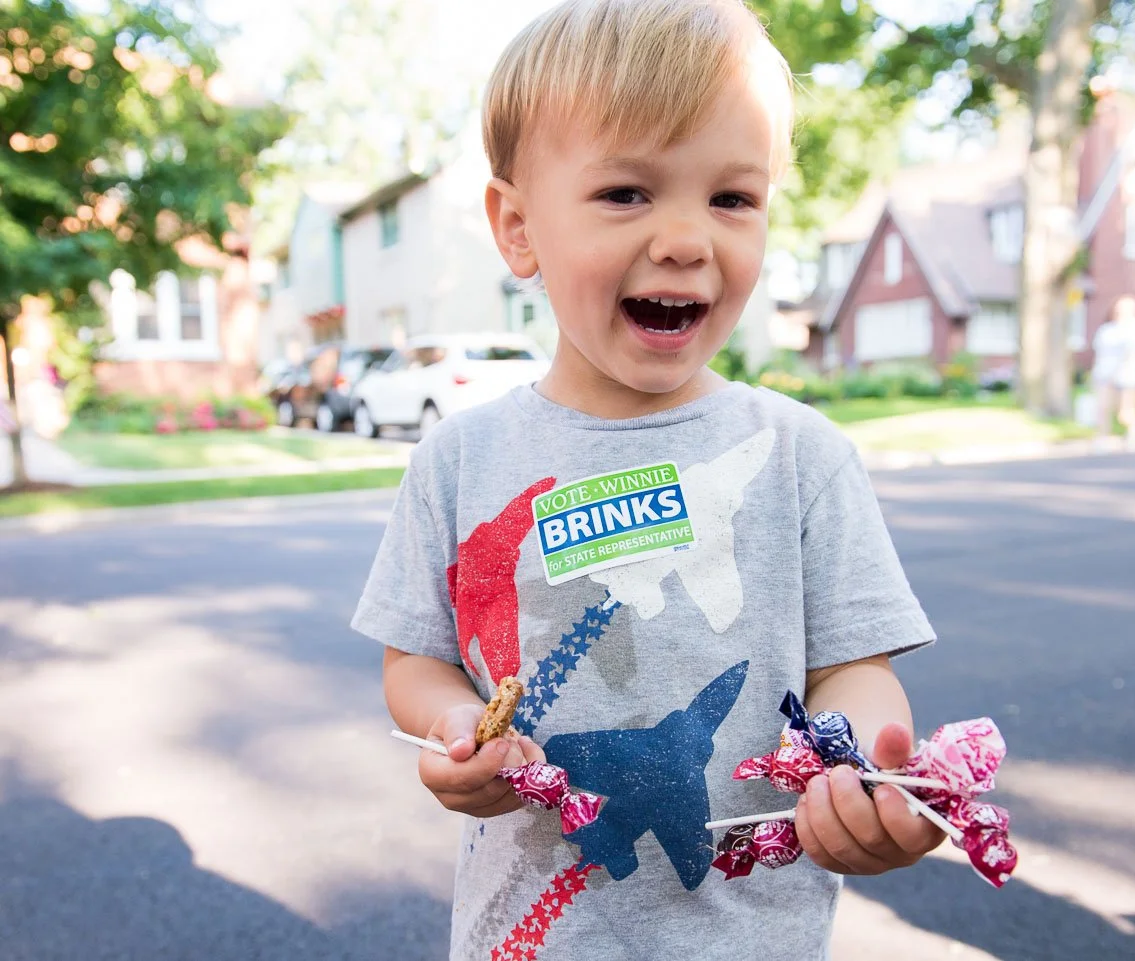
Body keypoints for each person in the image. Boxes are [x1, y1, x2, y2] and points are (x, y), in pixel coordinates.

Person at [350, 2, 943, 959]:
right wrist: (452, 727)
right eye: (627, 192)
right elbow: (416, 661)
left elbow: (854, 670)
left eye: (732, 198)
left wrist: (869, 775)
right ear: (517, 226)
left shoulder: (803, 455)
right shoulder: (458, 461)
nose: (685, 239)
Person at [1089, 295, 1135, 451]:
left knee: (1125, 412)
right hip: (1103, 374)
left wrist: (1116, 372)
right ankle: (1102, 440)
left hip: (1127, 376)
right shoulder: (1107, 329)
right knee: (1102, 409)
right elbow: (1099, 352)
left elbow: (1131, 353)